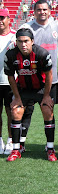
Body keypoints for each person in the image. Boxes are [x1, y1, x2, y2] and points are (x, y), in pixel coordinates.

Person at [4, 28, 56, 162]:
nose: (23, 44)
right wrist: (17, 97)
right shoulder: (11, 55)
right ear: (16, 42)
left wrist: (46, 96)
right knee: (16, 112)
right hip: (23, 89)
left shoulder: (42, 53)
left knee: (47, 110)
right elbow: (10, 77)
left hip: (40, 88)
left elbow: (49, 75)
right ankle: (16, 149)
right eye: (20, 42)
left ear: (32, 41)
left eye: (26, 41)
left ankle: (50, 148)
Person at [19, 0, 58, 153]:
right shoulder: (27, 27)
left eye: (45, 9)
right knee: (26, 111)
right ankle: (21, 144)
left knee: (48, 111)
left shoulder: (56, 25)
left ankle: (49, 145)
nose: (42, 12)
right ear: (34, 11)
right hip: (30, 79)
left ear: (49, 11)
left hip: (51, 79)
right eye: (39, 10)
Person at [0, 9, 16, 155]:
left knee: (10, 112)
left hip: (10, 82)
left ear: (8, 19)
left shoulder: (15, 36)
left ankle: (11, 140)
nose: (0, 20)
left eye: (2, 17)